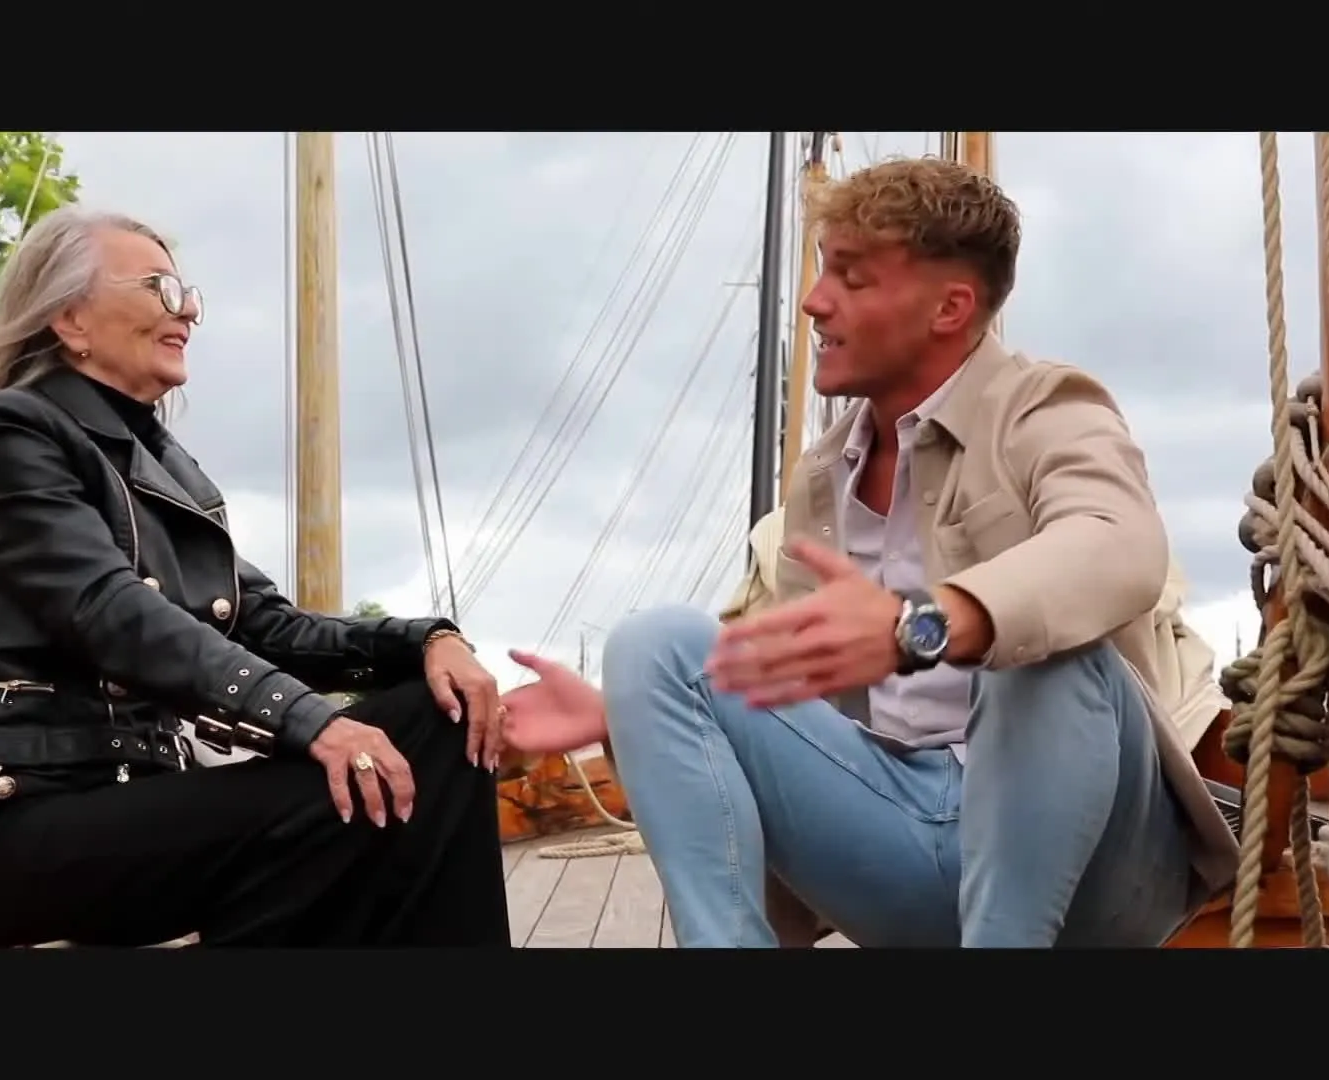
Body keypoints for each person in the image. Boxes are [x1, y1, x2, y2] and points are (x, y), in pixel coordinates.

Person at [501, 158, 1238, 948]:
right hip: (903, 835)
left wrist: (920, 626)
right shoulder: (824, 476)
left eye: (850, 278)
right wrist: (631, 711)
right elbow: (789, 692)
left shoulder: (1046, 408)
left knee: (1038, 648)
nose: (815, 302)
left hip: (1088, 865)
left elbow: (1117, 543)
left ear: (950, 307)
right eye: (823, 272)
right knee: (656, 646)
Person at [0, 205, 511, 948]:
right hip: (23, 818)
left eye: (188, 294)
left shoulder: (169, 470)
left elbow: (267, 625)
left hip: (144, 800)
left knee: (439, 721)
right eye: (160, 289)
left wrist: (429, 642)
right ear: (70, 319)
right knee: (355, 786)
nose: (188, 311)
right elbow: (109, 611)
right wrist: (312, 722)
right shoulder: (14, 433)